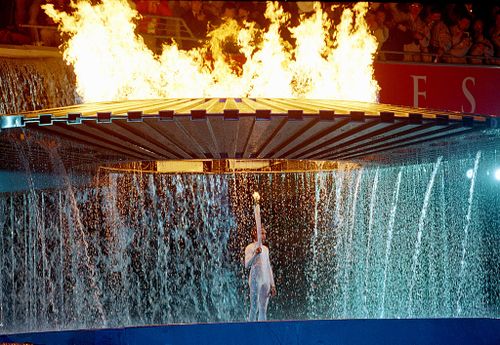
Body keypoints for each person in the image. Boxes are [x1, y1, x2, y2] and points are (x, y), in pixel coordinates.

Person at [244, 226, 276, 321]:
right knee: (254, 308)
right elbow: (247, 264)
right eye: (262, 233)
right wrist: (255, 254)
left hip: (265, 279)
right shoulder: (249, 247)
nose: (264, 235)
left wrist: (272, 284)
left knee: (263, 309)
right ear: (255, 233)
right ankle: (251, 329)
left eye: (265, 233)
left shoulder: (265, 249)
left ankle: (262, 330)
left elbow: (268, 266)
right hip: (255, 279)